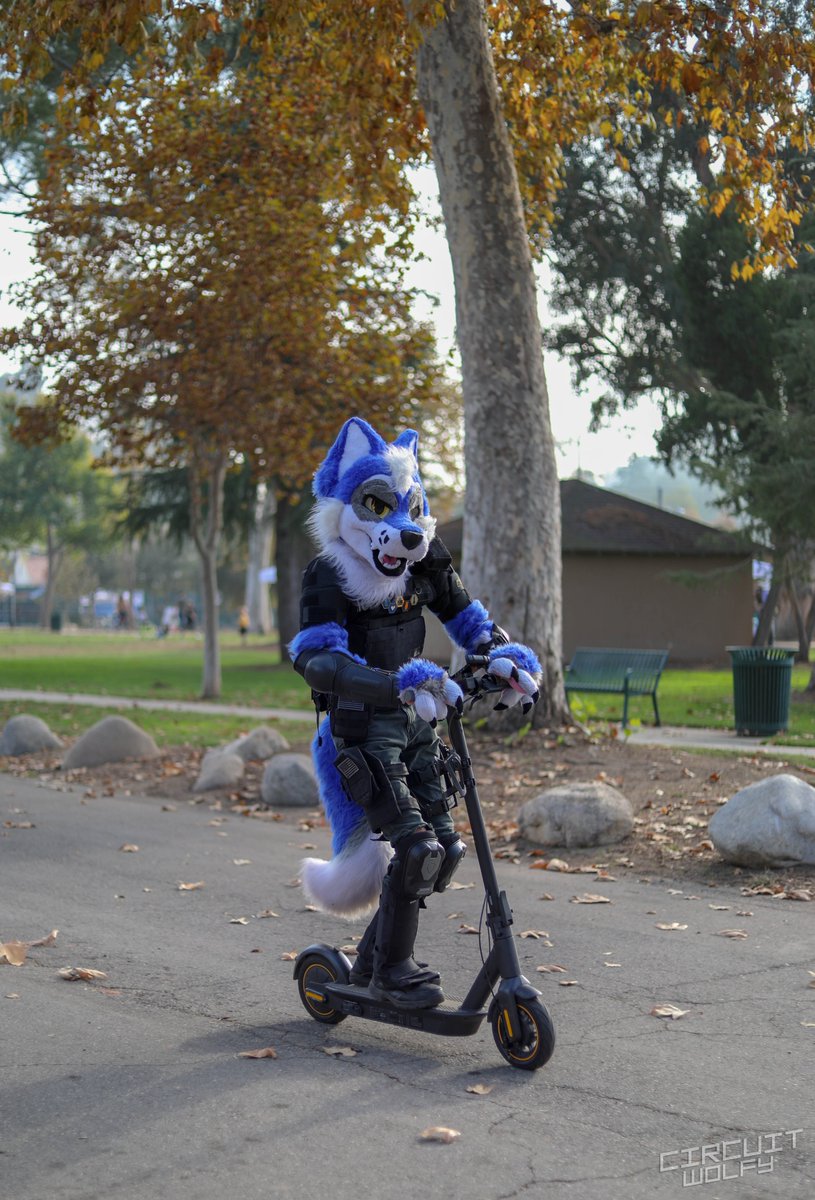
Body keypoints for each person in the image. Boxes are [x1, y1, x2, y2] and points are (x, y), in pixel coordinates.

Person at [289, 417, 540, 1011]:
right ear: (347, 503)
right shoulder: (329, 574)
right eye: (379, 504)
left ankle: (375, 962)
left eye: (410, 505)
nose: (400, 524)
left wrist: (500, 656)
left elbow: (468, 618)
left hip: (414, 724)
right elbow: (318, 660)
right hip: (354, 731)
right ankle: (391, 972)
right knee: (418, 849)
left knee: (444, 850)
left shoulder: (423, 560)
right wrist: (394, 684)